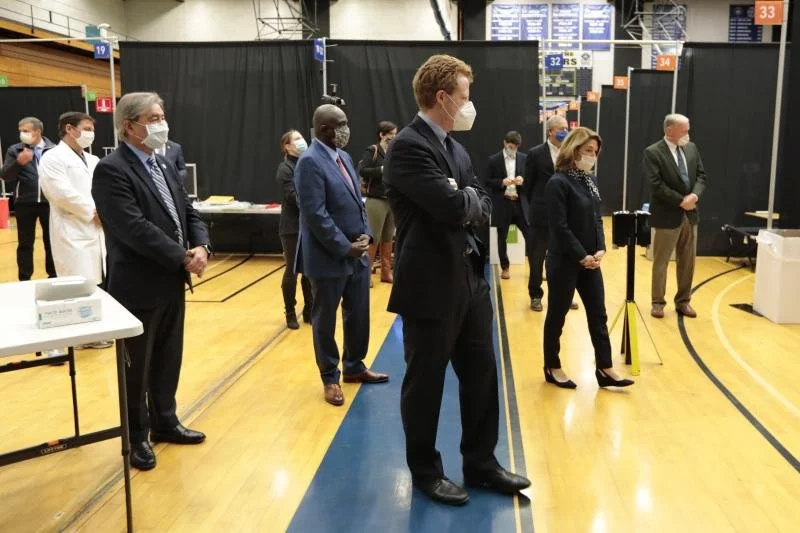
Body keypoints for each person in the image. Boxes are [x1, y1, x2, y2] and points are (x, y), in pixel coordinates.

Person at [384, 54, 530, 506]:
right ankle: (426, 471)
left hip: (469, 279)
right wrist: (462, 197)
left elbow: (480, 201)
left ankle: (481, 462)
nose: (470, 105)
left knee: (482, 375)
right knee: (425, 383)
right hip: (429, 285)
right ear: (443, 98)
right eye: (465, 97)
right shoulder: (408, 146)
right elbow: (453, 207)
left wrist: (462, 195)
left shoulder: (457, 149)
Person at [92, 92, 211, 471]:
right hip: (138, 285)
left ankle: (165, 421)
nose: (162, 123)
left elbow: (187, 209)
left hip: (173, 281)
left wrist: (202, 244)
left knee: (167, 359)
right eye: (154, 117)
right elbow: (134, 228)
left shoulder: (162, 162)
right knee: (136, 368)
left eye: (163, 116)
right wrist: (182, 256)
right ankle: (137, 437)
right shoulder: (112, 170)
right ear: (130, 125)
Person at [294, 104, 389, 407]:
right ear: (324, 129)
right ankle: (329, 377)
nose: (347, 129)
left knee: (358, 313)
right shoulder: (309, 162)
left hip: (357, 253)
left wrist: (366, 234)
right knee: (325, 320)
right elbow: (315, 214)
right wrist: (343, 246)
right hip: (329, 255)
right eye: (342, 124)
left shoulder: (345, 157)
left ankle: (354, 366)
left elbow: (358, 201)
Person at [542, 127, 634, 390]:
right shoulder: (557, 183)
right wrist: (581, 255)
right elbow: (559, 227)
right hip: (564, 261)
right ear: (573, 150)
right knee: (557, 315)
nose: (593, 156)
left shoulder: (590, 181)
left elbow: (596, 218)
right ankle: (552, 365)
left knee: (598, 315)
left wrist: (601, 248)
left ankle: (604, 368)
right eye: (588, 151)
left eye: (595, 152)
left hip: (591, 261)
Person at [38, 111, 111, 350]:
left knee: (96, 278)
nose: (90, 134)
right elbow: (59, 192)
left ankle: (93, 329)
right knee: (77, 279)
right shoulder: (53, 158)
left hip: (97, 228)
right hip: (72, 226)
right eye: (86, 128)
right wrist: (93, 211)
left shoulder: (93, 160)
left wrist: (106, 210)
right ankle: (79, 334)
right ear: (69, 129)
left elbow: (104, 189)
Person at [645, 113, 707, 319]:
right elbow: (656, 184)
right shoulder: (653, 152)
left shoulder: (692, 148)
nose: (688, 134)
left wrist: (695, 195)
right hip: (667, 214)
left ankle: (683, 301)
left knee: (687, 261)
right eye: (684, 130)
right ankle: (657, 303)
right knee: (661, 261)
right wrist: (681, 200)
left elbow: (701, 175)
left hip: (690, 214)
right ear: (669, 130)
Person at [525, 115, 578, 312]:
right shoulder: (535, 153)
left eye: (567, 127)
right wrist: (536, 208)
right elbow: (528, 186)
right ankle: (535, 294)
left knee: (566, 258)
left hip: (566, 215)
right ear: (550, 131)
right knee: (537, 257)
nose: (566, 130)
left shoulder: (571, 153)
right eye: (562, 128)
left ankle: (565, 296)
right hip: (541, 214)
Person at [1, 117, 57, 281]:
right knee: (25, 244)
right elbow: (5, 176)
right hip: (24, 203)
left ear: (37, 131)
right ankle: (24, 279)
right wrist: (18, 163)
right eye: (20, 131)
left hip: (50, 203)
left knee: (51, 242)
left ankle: (53, 276)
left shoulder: (54, 149)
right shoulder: (15, 150)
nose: (21, 134)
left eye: (25, 131)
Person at [276, 129, 313, 329]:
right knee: (292, 270)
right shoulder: (285, 169)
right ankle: (290, 312)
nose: (301, 142)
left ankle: (309, 310)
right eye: (296, 139)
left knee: (308, 271)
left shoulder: (307, 163)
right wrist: (313, 206)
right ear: (287, 146)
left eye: (302, 138)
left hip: (309, 226)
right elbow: (292, 197)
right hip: (292, 227)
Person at [484, 131, 529, 281]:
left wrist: (523, 180)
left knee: (531, 236)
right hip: (503, 203)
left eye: (515, 147)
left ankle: (536, 267)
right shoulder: (493, 160)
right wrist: (501, 182)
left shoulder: (524, 158)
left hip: (520, 203)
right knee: (502, 237)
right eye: (510, 146)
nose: (513, 149)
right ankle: (505, 267)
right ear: (504, 143)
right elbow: (487, 181)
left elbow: (530, 178)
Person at [358, 120, 397, 287]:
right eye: (391, 135)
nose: (393, 138)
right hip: (376, 201)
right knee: (374, 238)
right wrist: (381, 170)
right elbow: (362, 170)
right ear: (382, 135)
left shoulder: (394, 152)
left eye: (396, 135)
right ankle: (365, 275)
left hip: (391, 200)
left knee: (388, 237)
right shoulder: (372, 150)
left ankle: (386, 273)